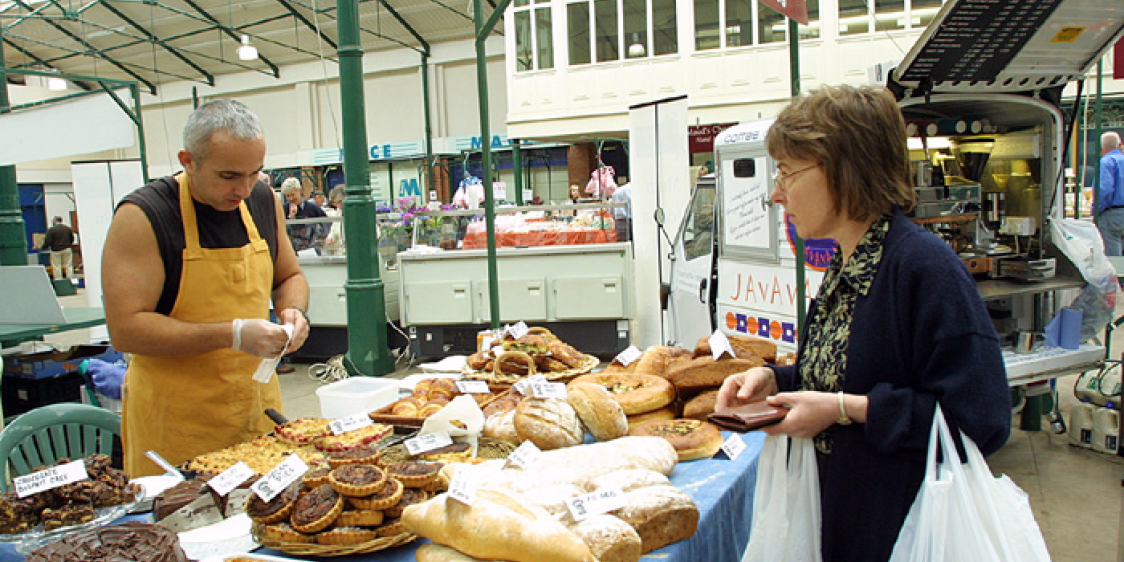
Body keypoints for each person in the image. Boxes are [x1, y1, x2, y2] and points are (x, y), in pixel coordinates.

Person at [716, 85, 1010, 562]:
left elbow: (982, 421)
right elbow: (854, 374)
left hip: (901, 532)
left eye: (788, 172)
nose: (775, 193)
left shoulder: (923, 268)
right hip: (843, 521)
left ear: (843, 171)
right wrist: (776, 379)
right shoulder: (845, 264)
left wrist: (844, 410)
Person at [102, 99, 311, 477]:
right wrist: (231, 334)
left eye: (255, 173)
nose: (244, 189)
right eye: (229, 176)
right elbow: (126, 329)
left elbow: (289, 277)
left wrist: (293, 312)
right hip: (177, 425)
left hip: (255, 410)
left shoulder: (262, 200)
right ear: (188, 160)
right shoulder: (144, 216)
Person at [281, 177, 327, 253]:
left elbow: (326, 225)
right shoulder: (283, 210)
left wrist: (318, 243)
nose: (291, 198)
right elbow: (282, 232)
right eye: (288, 196)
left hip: (312, 250)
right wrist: (290, 218)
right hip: (292, 251)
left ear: (300, 191)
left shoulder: (313, 208)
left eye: (293, 194)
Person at [1097, 131, 1124, 255]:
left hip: (1112, 213)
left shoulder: (1106, 162)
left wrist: (1097, 209)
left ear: (1102, 146)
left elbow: (1104, 189)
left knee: (1113, 256)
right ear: (1119, 144)